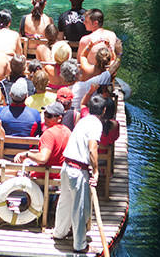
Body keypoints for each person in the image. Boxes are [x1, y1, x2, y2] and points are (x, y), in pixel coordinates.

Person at [52, 94, 108, 253]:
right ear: (103, 110)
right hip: (77, 170)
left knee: (65, 201)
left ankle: (59, 232)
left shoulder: (83, 121)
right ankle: (80, 245)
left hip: (66, 166)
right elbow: (92, 148)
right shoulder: (96, 124)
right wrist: (96, 172)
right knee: (79, 208)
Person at [14, 102, 70, 178]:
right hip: (61, 176)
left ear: (59, 118)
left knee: (14, 172)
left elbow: (43, 159)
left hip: (45, 177)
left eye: (49, 116)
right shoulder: (68, 131)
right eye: (45, 114)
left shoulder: (49, 134)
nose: (45, 117)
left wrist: (27, 154)